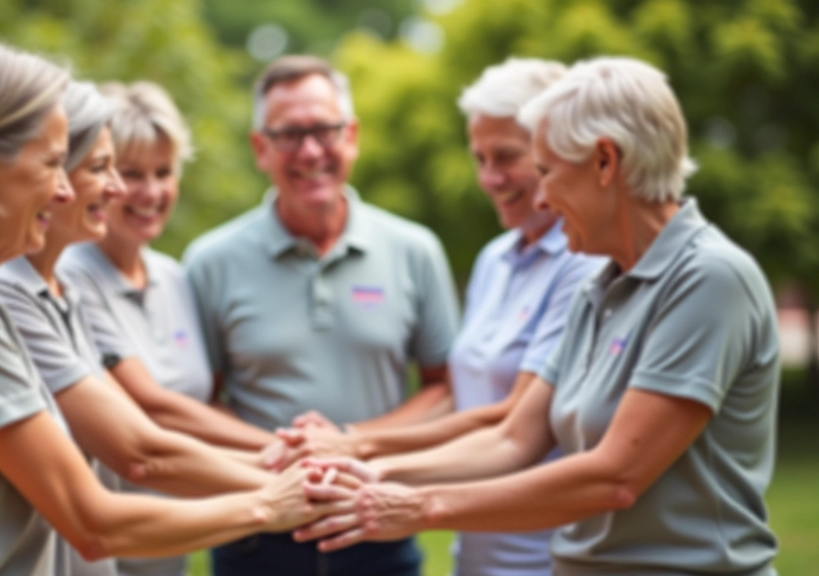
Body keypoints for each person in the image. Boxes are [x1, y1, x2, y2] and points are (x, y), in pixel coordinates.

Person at [0, 40, 354, 576]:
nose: (64, 192)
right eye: (53, 164)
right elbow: (94, 521)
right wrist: (270, 503)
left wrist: (279, 473)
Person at [297, 56, 780, 576]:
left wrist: (418, 506)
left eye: (547, 171)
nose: (543, 197)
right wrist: (377, 472)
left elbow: (614, 477)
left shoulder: (709, 278)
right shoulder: (600, 287)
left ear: (604, 162)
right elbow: (514, 438)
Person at [183, 55, 460, 576]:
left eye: (324, 130)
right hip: (253, 536)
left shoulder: (414, 249)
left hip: (378, 524)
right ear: (259, 147)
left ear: (351, 135)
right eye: (289, 134)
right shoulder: (209, 262)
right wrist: (286, 456)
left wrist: (352, 441)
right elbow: (201, 401)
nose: (310, 151)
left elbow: (443, 388)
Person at [0, 82, 282, 576]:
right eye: (118, 171)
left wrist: (288, 459)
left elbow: (197, 402)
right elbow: (144, 426)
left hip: (169, 545)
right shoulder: (55, 278)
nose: (140, 191)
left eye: (163, 173)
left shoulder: (167, 276)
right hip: (110, 545)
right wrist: (278, 471)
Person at [56, 81, 280, 462]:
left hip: (205, 507)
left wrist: (292, 449)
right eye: (131, 174)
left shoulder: (174, 277)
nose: (152, 192)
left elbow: (205, 403)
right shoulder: (71, 277)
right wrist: (281, 449)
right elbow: (152, 406)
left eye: (163, 172)